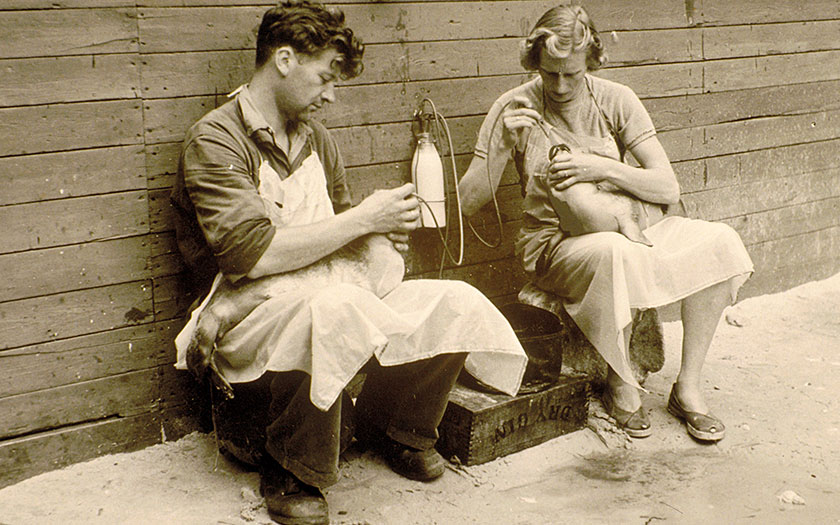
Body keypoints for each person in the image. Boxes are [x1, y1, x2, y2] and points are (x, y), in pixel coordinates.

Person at [169, 3, 526, 524]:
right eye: (325, 78)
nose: (331, 95)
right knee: (332, 306)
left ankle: (396, 428)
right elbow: (251, 255)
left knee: (455, 300)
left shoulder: (317, 140)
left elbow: (339, 244)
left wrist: (379, 239)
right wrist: (362, 221)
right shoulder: (216, 140)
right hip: (243, 315)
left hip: (317, 287)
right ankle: (292, 466)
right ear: (284, 59)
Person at [459, 4, 754, 441]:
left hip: (633, 221)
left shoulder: (616, 99)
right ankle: (621, 379)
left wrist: (601, 169)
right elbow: (467, 203)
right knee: (614, 250)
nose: (559, 86)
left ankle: (688, 386)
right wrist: (502, 145)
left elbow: (666, 187)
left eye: (571, 74)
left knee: (719, 241)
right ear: (534, 63)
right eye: (548, 73)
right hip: (555, 243)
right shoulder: (513, 106)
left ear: (591, 62)